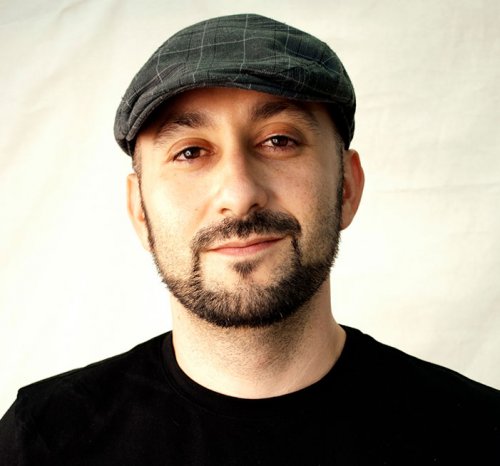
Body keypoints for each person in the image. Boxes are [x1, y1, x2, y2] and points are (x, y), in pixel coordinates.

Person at [0, 13, 498, 465]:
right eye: (191, 152)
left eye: (279, 141)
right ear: (139, 210)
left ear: (346, 187)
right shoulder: (44, 439)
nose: (239, 195)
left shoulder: (480, 434)